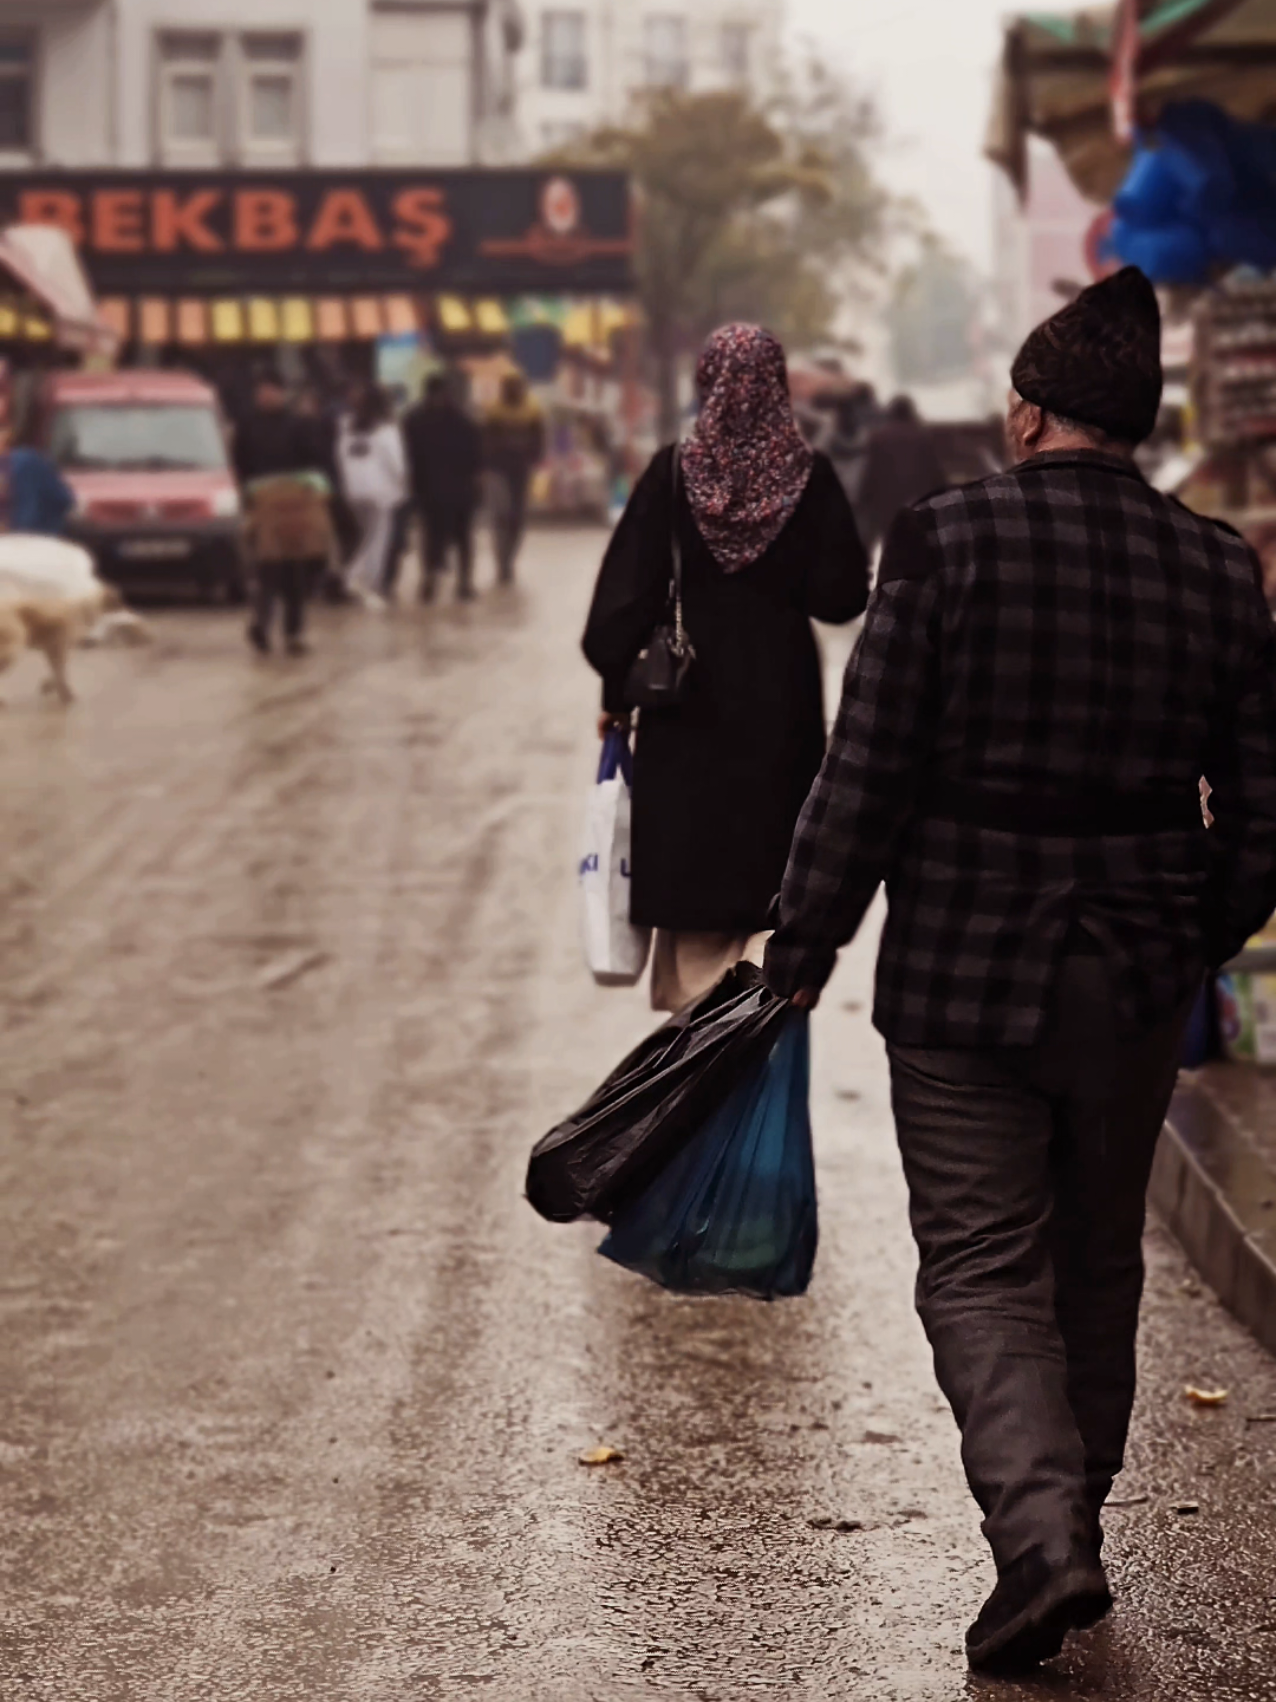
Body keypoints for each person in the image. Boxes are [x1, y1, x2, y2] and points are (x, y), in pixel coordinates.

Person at [763, 268, 1276, 1673]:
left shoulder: (942, 536)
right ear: (1140, 429)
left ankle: (1044, 1541)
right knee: (1096, 1261)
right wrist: (1190, 928)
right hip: (1130, 979)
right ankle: (1072, 1530)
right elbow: (1267, 809)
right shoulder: (1220, 563)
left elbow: (865, 768)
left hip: (961, 974)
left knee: (984, 1265)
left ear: (1029, 412)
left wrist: (803, 944)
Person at [583, 322, 870, 1015]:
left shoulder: (672, 472)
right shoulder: (811, 478)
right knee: (766, 893)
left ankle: (692, 1059)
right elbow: (842, 599)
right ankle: (755, 1049)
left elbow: (621, 607)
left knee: (694, 902)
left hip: (685, 717)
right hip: (781, 712)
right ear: (777, 386)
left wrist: (617, 694)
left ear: (705, 384)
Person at [233, 370, 331, 656]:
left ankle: (294, 633)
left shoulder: (300, 425)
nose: (265, 395)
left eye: (270, 390)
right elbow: (240, 464)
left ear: (282, 393)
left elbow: (317, 460)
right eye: (261, 390)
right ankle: (261, 626)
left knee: (295, 573)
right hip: (263, 507)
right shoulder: (248, 425)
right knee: (266, 569)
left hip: (295, 507)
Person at [402, 373, 482, 602]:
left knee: (435, 538)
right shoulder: (463, 419)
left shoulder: (414, 419)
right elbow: (477, 457)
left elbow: (408, 457)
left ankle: (436, 581)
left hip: (433, 490)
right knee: (459, 539)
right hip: (453, 490)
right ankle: (459, 583)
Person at [336, 384, 407, 612]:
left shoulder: (347, 428)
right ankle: (360, 582)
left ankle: (358, 581)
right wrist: (404, 485)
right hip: (380, 494)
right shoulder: (387, 430)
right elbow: (396, 463)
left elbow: (340, 458)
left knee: (366, 538)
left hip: (354, 492)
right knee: (377, 540)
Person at [855, 394, 947, 554]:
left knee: (892, 547)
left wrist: (863, 499)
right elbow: (934, 472)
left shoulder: (878, 438)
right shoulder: (921, 436)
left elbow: (871, 472)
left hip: (887, 506)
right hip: (917, 502)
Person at [483, 371, 546, 584]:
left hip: (521, 471)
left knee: (517, 520)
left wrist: (531, 458)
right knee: (500, 518)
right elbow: (485, 442)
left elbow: (540, 441)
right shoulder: (493, 411)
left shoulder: (532, 411)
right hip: (498, 472)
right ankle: (503, 563)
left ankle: (508, 560)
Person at [2, 421, 76, 536]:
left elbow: (64, 499)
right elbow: (65, 500)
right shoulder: (31, 460)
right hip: (40, 539)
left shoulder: (28, 461)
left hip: (27, 539)